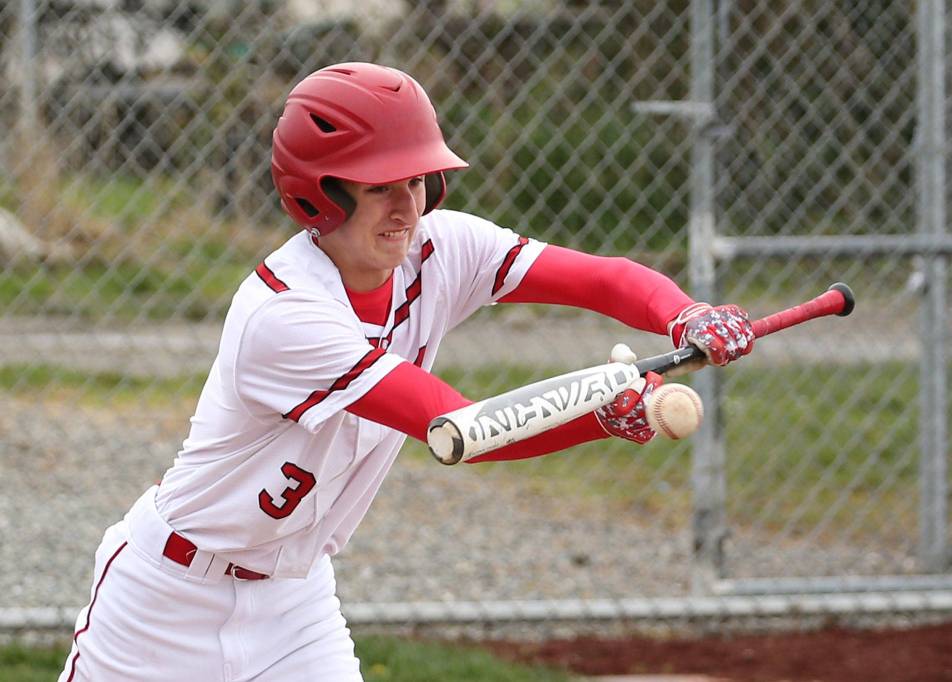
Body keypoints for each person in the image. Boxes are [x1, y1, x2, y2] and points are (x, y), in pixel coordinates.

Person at [60, 62, 754, 681]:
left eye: (418, 179)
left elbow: (601, 279)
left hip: (293, 601)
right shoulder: (285, 315)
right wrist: (595, 415)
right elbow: (462, 428)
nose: (408, 206)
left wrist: (685, 314)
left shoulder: (441, 249)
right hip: (165, 602)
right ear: (318, 194)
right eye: (379, 186)